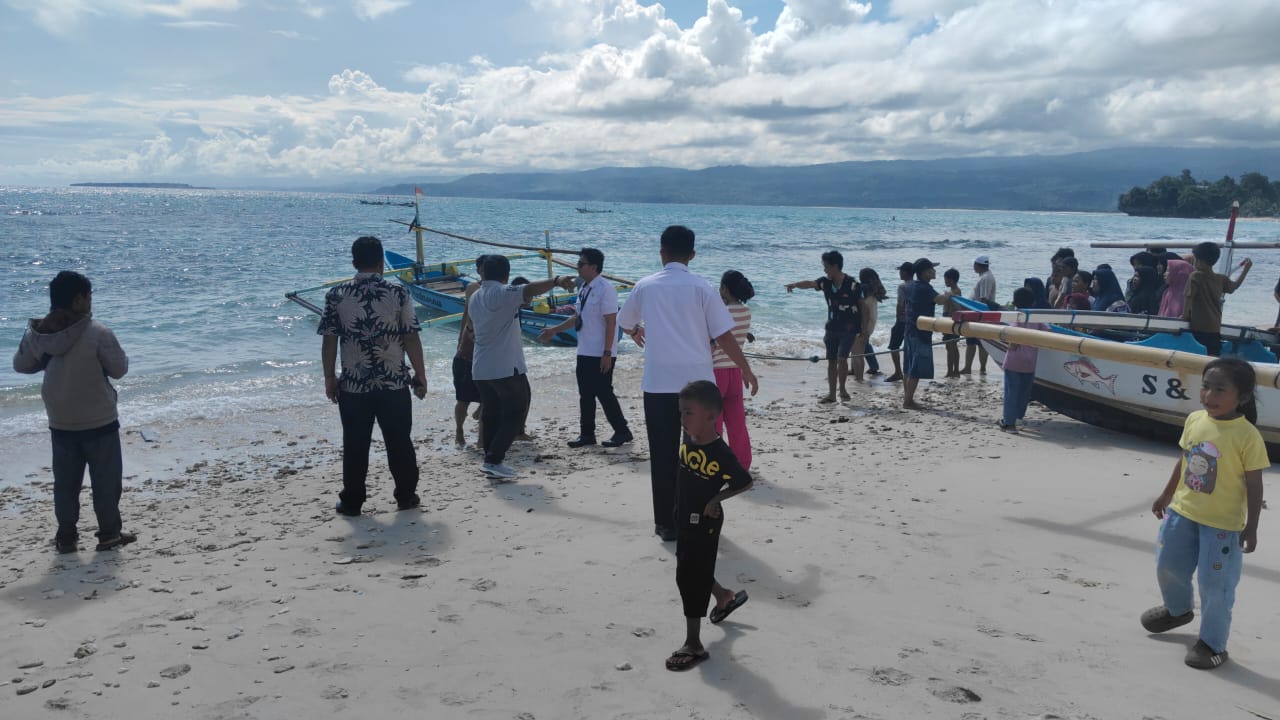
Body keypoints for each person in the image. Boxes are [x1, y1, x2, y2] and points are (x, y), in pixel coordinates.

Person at [617, 225, 758, 543]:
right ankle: (697, 516)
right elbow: (723, 334)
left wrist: (635, 331)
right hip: (698, 386)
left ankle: (666, 524)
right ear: (692, 255)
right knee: (699, 456)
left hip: (658, 384)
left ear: (661, 252)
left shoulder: (646, 285)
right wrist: (746, 368)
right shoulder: (703, 287)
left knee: (663, 455)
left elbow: (625, 321)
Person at [1144, 357, 1266, 670]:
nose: (1209, 396)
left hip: (1223, 526)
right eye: (1206, 387)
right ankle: (1178, 610)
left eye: (1219, 390)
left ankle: (1213, 643)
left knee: (1215, 586)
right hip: (1182, 513)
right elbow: (1184, 459)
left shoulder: (1247, 436)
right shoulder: (1196, 419)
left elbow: (1254, 485)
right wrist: (1167, 493)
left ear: (1242, 397)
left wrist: (1251, 527)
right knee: (1168, 565)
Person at [13, 270, 134, 553]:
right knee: (106, 482)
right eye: (88, 296)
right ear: (78, 300)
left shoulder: (40, 333)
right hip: (99, 419)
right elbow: (120, 369)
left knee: (65, 485)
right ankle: (109, 534)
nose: (91, 301)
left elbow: (20, 365)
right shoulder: (97, 333)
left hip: (61, 420)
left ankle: (66, 537)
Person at [319, 236, 428, 517]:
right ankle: (406, 496)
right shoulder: (398, 293)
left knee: (355, 443)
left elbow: (329, 341)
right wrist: (420, 373)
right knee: (399, 441)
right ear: (381, 261)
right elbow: (411, 336)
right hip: (393, 382)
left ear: (354, 262)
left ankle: (353, 501)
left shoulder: (336, 294)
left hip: (354, 385)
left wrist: (330, 377)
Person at [665, 380, 753, 672]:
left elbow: (744, 482)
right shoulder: (689, 437)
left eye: (688, 413)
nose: (683, 418)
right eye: (681, 412)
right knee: (693, 568)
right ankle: (724, 596)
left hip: (705, 522)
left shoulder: (720, 452)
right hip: (684, 515)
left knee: (687, 576)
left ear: (711, 416)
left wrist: (716, 498)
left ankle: (694, 645)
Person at [470, 255, 576, 480]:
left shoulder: (476, 296)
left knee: (491, 413)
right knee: (517, 411)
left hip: (480, 366)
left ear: (484, 273)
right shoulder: (501, 293)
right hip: (504, 366)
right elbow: (528, 290)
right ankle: (494, 459)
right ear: (506, 275)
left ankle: (490, 461)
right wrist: (556, 280)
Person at [539, 247, 633, 449]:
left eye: (581, 264)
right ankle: (587, 434)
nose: (577, 267)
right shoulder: (584, 289)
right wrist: (554, 330)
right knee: (586, 394)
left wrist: (607, 353)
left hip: (601, 351)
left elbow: (611, 322)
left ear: (593, 267)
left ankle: (622, 430)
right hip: (584, 350)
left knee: (604, 392)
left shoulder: (605, 289)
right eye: (578, 263)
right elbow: (577, 318)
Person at [784, 250, 862, 401]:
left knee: (842, 358)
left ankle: (843, 390)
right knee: (832, 360)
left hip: (849, 328)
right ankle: (832, 394)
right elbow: (810, 283)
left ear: (835, 266)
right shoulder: (825, 282)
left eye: (826, 266)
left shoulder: (852, 284)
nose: (824, 269)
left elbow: (862, 306)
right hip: (832, 327)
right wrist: (794, 284)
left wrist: (864, 329)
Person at [711, 270, 754, 470]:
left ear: (725, 289)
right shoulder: (746, 312)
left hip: (716, 371)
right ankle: (742, 463)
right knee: (737, 422)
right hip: (735, 370)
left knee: (714, 422)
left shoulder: (720, 312)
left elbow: (711, 344)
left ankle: (715, 462)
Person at [1184, 242, 1252, 357]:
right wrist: (1246, 270)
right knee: (1212, 358)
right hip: (1214, 328)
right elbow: (1234, 287)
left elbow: (1188, 298)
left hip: (1198, 327)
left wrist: (1184, 317)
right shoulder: (1221, 279)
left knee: (1195, 357)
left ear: (1199, 260)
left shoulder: (1195, 276)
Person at [902, 258, 953, 410]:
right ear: (924, 272)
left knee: (908, 366)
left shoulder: (910, 286)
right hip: (921, 332)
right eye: (932, 269)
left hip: (909, 329)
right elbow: (940, 300)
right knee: (916, 369)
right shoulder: (925, 288)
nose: (935, 271)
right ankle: (908, 401)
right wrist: (949, 294)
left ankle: (907, 397)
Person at [998, 287, 1042, 432]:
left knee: (1012, 391)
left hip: (1014, 360)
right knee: (1024, 392)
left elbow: (1014, 338)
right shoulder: (1036, 318)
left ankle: (1009, 423)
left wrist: (1009, 343)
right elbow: (1049, 331)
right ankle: (1018, 417)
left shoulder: (1018, 317)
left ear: (1015, 302)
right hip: (1030, 361)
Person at [452, 270, 484, 447]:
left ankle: (481, 438)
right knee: (463, 400)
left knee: (488, 399)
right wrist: (460, 336)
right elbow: (466, 317)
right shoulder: (474, 288)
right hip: (466, 356)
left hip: (484, 357)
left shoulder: (495, 294)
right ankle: (459, 431)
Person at [961, 255, 996, 374]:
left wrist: (979, 316)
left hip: (979, 315)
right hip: (976, 313)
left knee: (980, 344)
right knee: (971, 343)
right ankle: (968, 367)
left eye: (975, 264)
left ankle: (981, 368)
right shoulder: (984, 276)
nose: (973, 267)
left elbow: (983, 299)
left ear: (979, 265)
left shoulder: (986, 278)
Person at [884, 262, 915, 383]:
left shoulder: (902, 286)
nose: (900, 274)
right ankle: (911, 370)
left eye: (901, 271)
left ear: (906, 273)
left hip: (903, 320)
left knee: (894, 346)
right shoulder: (917, 285)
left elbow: (900, 303)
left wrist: (898, 316)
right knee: (910, 346)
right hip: (913, 320)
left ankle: (898, 372)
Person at [857, 268, 886, 377]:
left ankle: (873, 366)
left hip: (865, 319)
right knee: (861, 342)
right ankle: (868, 366)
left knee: (862, 342)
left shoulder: (864, 288)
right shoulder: (874, 287)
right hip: (871, 318)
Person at [940, 268, 963, 378]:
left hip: (953, 319)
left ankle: (955, 370)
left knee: (953, 345)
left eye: (946, 280)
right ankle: (950, 370)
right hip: (947, 318)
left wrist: (949, 297)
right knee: (949, 347)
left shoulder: (956, 292)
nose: (945, 282)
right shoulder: (950, 292)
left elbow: (958, 307)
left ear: (952, 280)